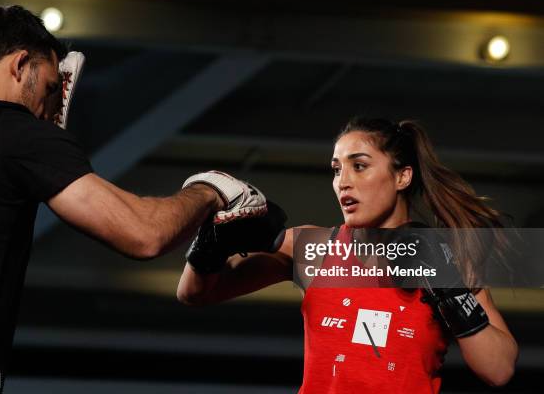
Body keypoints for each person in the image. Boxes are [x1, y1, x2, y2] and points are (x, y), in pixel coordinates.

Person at [0, 4, 270, 384]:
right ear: (20, 64)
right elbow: (144, 233)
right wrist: (211, 189)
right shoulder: (13, 132)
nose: (46, 111)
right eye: (48, 88)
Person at [177, 117, 518, 392]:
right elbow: (195, 293)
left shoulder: (449, 260)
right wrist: (213, 240)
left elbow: (499, 370)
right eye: (337, 169)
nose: (343, 182)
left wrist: (449, 287)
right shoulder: (313, 248)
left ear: (402, 176)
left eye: (359, 166)